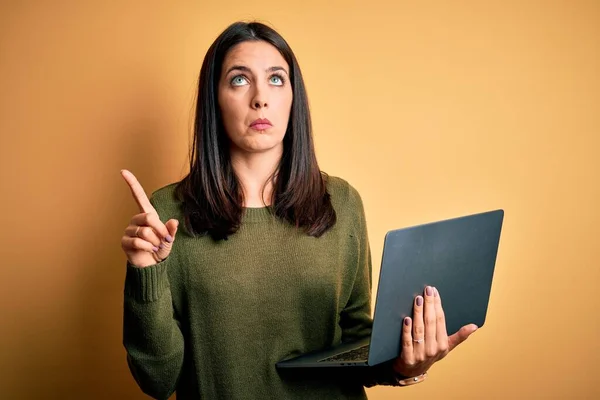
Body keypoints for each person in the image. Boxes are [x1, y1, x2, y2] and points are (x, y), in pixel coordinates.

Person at [120, 21, 478, 400]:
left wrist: (407, 365)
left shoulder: (341, 202)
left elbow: (358, 344)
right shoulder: (167, 215)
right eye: (239, 80)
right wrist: (146, 273)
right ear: (215, 99)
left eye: (276, 79)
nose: (261, 98)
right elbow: (158, 381)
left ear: (293, 96)